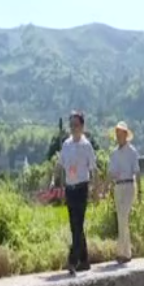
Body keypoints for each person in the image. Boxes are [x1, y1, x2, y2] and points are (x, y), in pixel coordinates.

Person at [55, 110, 98, 275]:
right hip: (70, 188)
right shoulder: (66, 145)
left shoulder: (86, 146)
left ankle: (73, 260)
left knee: (78, 224)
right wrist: (54, 181)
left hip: (81, 187)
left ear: (82, 126)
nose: (73, 128)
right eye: (71, 125)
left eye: (76, 125)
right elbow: (59, 165)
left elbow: (94, 169)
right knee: (75, 226)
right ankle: (85, 260)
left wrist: (95, 190)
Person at [108, 121, 141, 263]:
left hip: (129, 185)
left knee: (123, 216)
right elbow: (110, 173)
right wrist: (107, 187)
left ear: (126, 135)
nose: (118, 136)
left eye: (120, 133)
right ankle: (123, 251)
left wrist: (140, 191)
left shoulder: (132, 152)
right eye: (117, 133)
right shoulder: (114, 154)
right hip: (118, 186)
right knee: (120, 218)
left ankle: (125, 253)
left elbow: (137, 172)